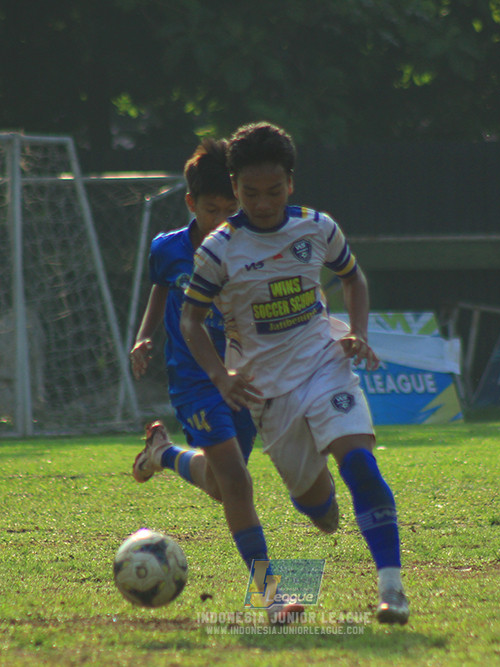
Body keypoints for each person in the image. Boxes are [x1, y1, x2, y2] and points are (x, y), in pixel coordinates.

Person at [181, 121, 409, 625]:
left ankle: (392, 589)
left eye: (274, 191)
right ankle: (318, 504)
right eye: (251, 193)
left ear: (291, 182)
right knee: (319, 510)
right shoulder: (219, 249)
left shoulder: (317, 227)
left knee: (362, 466)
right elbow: (191, 321)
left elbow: (353, 278)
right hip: (266, 391)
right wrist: (221, 377)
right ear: (235, 187)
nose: (263, 203)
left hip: (325, 365)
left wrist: (358, 332)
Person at [127, 138, 303, 624]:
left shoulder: (253, 245)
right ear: (190, 204)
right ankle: (273, 597)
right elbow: (161, 293)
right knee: (238, 483)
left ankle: (161, 453)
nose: (222, 220)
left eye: (231, 210)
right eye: (211, 210)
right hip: (196, 382)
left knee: (224, 486)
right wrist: (144, 337)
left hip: (246, 379)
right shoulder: (168, 249)